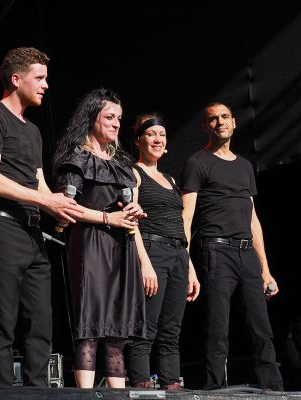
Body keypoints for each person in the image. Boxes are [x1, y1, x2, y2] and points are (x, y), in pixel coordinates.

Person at [0, 47, 83, 387]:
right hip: (2, 225)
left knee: (41, 319)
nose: (46, 85)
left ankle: (40, 392)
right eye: (40, 78)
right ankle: (3, 390)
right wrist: (44, 201)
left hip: (32, 231)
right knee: (3, 318)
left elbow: (37, 180)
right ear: (16, 79)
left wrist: (60, 203)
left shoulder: (32, 131)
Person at [180, 102, 283, 391]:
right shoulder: (197, 162)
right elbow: (186, 217)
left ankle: (274, 391)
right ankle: (214, 390)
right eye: (212, 119)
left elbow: (253, 220)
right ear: (205, 127)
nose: (220, 122)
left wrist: (266, 270)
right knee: (217, 327)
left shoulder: (244, 165)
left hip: (246, 251)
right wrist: (187, 265)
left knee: (261, 326)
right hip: (216, 250)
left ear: (234, 123)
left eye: (225, 117)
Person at [51, 88, 148, 388]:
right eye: (109, 117)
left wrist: (132, 210)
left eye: (119, 118)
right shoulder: (77, 158)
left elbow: (122, 205)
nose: (116, 124)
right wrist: (109, 218)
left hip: (122, 247)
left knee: (117, 332)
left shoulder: (120, 164)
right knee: (90, 329)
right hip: (91, 245)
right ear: (91, 117)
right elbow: (68, 208)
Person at [125, 112, 201, 390]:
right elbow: (130, 224)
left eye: (162, 135)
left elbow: (181, 228)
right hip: (152, 250)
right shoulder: (133, 173)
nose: (158, 139)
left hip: (178, 254)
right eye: (151, 134)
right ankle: (142, 384)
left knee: (172, 329)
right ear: (139, 140)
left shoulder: (170, 179)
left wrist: (190, 267)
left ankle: (171, 383)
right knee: (146, 326)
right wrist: (144, 262)